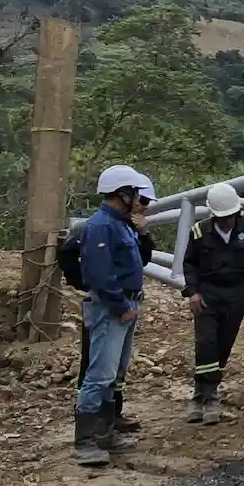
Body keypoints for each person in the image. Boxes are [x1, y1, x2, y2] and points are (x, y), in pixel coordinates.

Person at [182, 182, 244, 424]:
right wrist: (193, 292)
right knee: (206, 343)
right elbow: (189, 263)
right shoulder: (200, 231)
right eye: (221, 217)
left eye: (230, 217)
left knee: (223, 345)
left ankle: (202, 392)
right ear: (213, 214)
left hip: (236, 294)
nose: (226, 221)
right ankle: (208, 398)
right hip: (208, 293)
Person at [74, 164, 147, 467]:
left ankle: (104, 433)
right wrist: (121, 306)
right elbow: (100, 274)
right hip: (111, 308)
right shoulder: (101, 226)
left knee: (113, 373)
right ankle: (84, 442)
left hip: (124, 305)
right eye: (134, 193)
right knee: (100, 375)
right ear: (122, 194)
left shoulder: (119, 224)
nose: (139, 199)